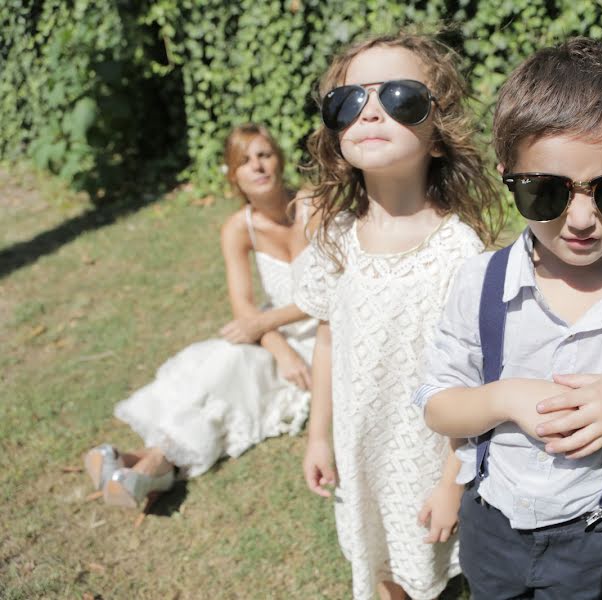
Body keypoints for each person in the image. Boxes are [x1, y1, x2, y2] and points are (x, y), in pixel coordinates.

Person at [418, 37, 602, 599]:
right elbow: (438, 403)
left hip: (593, 531)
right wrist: (507, 398)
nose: (582, 219)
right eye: (548, 193)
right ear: (510, 176)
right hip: (491, 518)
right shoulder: (479, 283)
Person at [293, 33, 502, 600]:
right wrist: (318, 439)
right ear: (337, 136)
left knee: (420, 566)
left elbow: (474, 379)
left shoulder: (458, 254)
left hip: (423, 455)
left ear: (439, 135)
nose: (372, 110)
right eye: (349, 101)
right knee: (376, 559)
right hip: (359, 447)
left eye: (401, 96)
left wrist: (452, 482)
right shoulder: (336, 239)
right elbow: (328, 341)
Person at [83, 123, 318, 509]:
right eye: (245, 161)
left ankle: (145, 466)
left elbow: (333, 293)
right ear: (233, 175)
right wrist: (278, 346)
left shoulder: (313, 205)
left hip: (323, 336)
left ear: (280, 159)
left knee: (239, 382)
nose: (257, 166)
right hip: (280, 337)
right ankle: (149, 465)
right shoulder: (237, 229)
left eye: (264, 155)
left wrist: (263, 325)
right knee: (224, 363)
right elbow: (243, 306)